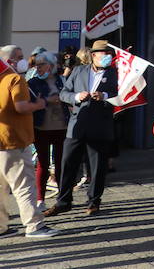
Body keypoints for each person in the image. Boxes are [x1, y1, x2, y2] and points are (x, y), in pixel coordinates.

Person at [46, 38, 119, 219]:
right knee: (68, 163)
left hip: (100, 125)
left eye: (110, 54)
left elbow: (122, 95)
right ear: (93, 55)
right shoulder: (79, 71)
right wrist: (77, 96)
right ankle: (63, 202)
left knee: (97, 167)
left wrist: (105, 95)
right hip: (77, 125)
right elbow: (64, 94)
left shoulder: (115, 73)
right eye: (104, 54)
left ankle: (94, 202)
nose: (108, 57)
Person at [0, 45, 59, 238]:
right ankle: (34, 225)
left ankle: (2, 227)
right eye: (19, 57)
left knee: (2, 189)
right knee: (24, 185)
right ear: (9, 61)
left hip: (2, 141)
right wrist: (40, 104)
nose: (24, 59)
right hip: (15, 140)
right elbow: (21, 107)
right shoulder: (15, 79)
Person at [27, 50, 66, 211]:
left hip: (62, 127)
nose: (38, 68)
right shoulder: (32, 82)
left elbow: (69, 96)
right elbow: (30, 103)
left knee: (61, 163)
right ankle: (40, 199)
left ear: (51, 66)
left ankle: (63, 198)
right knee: (42, 164)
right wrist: (48, 100)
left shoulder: (62, 80)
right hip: (41, 127)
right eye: (36, 65)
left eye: (41, 65)